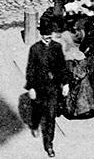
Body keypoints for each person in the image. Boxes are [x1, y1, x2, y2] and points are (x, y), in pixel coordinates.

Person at [25, 19, 71, 157]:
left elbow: (62, 67)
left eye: (49, 34)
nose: (48, 37)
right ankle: (34, 125)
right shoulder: (35, 49)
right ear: (41, 35)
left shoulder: (56, 47)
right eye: (45, 34)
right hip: (39, 88)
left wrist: (66, 83)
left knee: (51, 116)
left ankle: (49, 145)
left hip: (53, 88)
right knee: (37, 110)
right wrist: (31, 87)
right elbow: (30, 70)